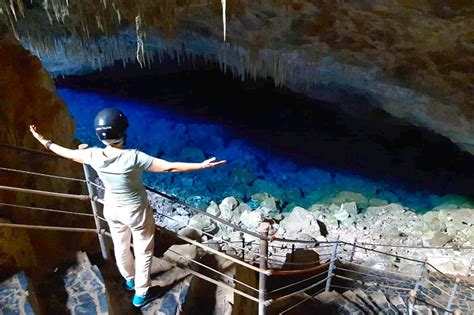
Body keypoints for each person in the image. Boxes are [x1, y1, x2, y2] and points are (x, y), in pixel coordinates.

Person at [29, 108, 226, 307]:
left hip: (112, 208)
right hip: (135, 211)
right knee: (143, 250)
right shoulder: (133, 157)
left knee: (121, 245)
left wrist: (43, 139)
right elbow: (169, 167)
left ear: (99, 134)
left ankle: (129, 279)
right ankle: (141, 293)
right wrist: (201, 166)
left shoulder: (92, 154)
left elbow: (68, 154)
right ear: (123, 132)